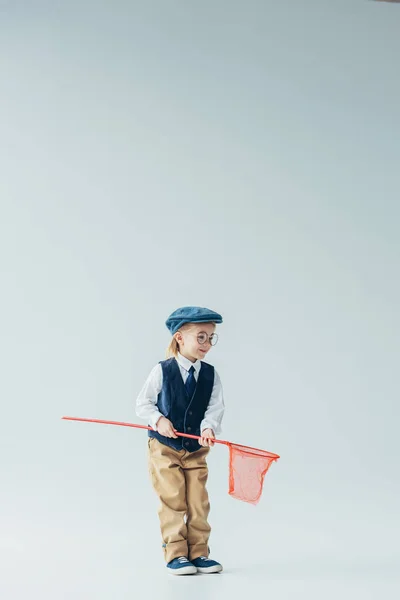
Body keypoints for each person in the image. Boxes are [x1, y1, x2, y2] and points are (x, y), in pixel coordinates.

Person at [136, 306, 225, 575]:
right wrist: (159, 421)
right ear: (179, 338)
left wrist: (208, 429)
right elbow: (143, 403)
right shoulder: (162, 371)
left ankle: (199, 552)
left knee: (198, 501)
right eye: (201, 337)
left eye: (211, 338)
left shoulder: (210, 375)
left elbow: (214, 408)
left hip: (195, 450)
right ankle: (176, 553)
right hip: (165, 448)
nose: (207, 344)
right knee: (173, 499)